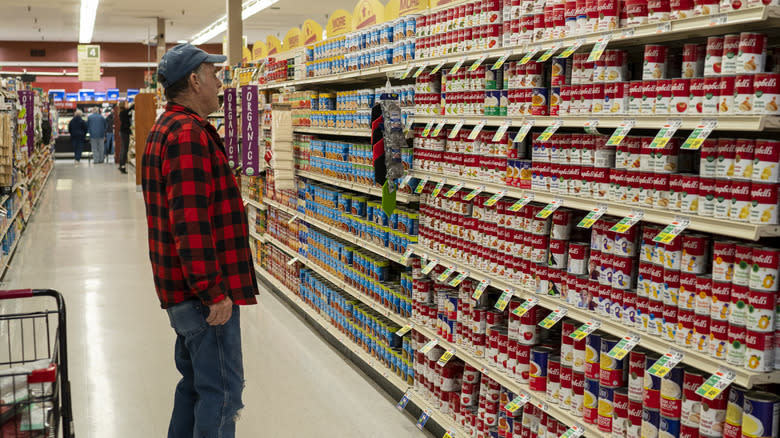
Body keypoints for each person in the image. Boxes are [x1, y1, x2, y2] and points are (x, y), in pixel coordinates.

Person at [141, 43, 258, 438]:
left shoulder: (166, 128)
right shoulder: (187, 135)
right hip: (201, 298)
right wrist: (213, 291)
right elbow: (190, 224)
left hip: (182, 293)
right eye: (215, 74)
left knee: (194, 387)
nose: (220, 83)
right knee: (223, 393)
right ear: (194, 80)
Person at [118, 101, 134, 173]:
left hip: (124, 132)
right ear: (123, 105)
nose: (127, 105)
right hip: (124, 132)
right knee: (125, 149)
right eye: (126, 104)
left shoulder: (123, 112)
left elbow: (128, 115)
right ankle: (123, 166)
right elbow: (129, 110)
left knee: (123, 149)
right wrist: (134, 104)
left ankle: (121, 165)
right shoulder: (123, 112)